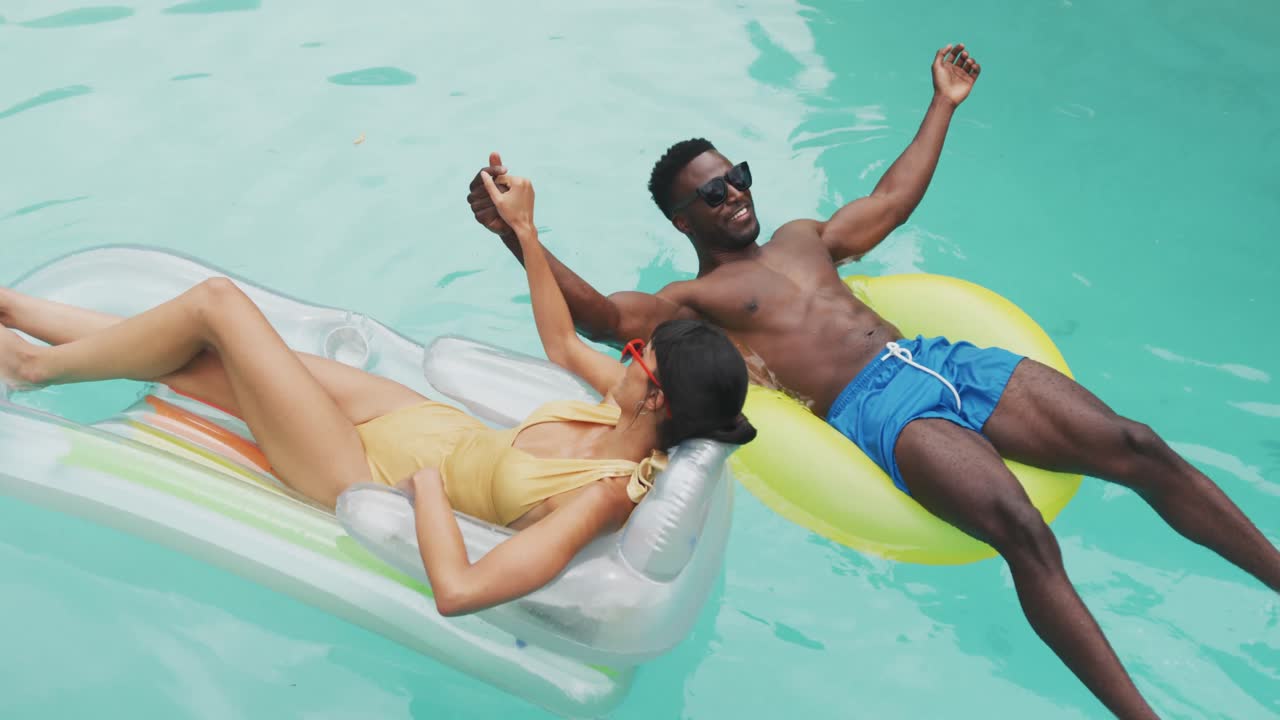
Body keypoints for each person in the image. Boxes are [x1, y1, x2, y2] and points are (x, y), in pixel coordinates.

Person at [468, 43, 1279, 719]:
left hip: (943, 358)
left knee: (1138, 444)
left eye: (737, 174)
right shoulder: (692, 302)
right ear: (683, 221)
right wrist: (519, 234)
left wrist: (944, 103)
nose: (735, 193)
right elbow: (601, 318)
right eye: (712, 193)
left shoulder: (803, 236)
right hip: (878, 406)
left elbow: (891, 201)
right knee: (1024, 533)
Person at [0, 174, 755, 618]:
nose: (620, 356)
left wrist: (423, 494)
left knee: (216, 308)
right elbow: (561, 343)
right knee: (196, 353)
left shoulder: (600, 498)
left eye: (634, 354)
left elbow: (460, 591)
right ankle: (14, 309)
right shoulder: (619, 409)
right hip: (406, 415)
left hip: (357, 464)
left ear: (656, 398)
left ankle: (33, 371)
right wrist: (524, 230)